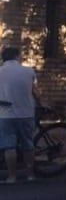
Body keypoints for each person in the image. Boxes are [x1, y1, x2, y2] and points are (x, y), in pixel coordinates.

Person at [0, 46, 39, 184]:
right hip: (26, 113)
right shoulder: (29, 71)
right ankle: (30, 175)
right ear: (17, 56)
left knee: (9, 146)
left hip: (5, 115)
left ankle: (12, 177)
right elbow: (35, 91)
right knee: (28, 145)